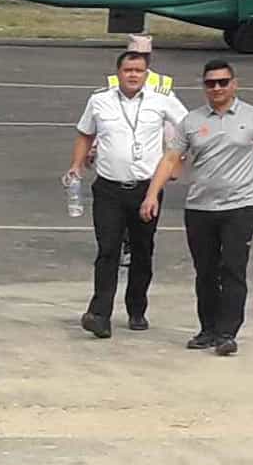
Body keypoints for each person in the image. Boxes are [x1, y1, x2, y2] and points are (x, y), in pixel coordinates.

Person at [146, 58, 253, 355]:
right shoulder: (192, 121)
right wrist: (151, 194)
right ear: (204, 87)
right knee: (205, 271)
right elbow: (171, 159)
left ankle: (227, 333)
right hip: (200, 209)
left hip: (239, 206)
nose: (217, 88)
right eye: (211, 83)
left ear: (234, 84)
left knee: (233, 269)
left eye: (223, 82)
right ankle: (207, 329)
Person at [65, 36, 185, 337]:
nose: (133, 75)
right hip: (108, 189)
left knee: (142, 251)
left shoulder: (162, 100)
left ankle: (136, 308)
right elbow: (84, 134)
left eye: (139, 71)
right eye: (128, 70)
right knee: (108, 250)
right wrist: (77, 165)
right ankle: (100, 314)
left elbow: (187, 129)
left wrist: (176, 161)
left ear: (147, 74)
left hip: (146, 190)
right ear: (118, 73)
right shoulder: (99, 100)